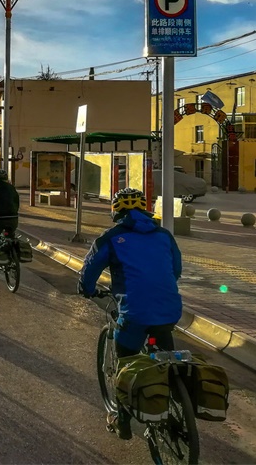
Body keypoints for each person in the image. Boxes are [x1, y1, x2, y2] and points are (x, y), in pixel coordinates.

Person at [78, 187, 183, 441]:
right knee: (165, 362)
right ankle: (175, 404)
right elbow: (176, 269)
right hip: (170, 310)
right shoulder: (164, 235)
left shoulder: (112, 237)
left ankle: (122, 422)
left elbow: (90, 270)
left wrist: (87, 290)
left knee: (126, 366)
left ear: (116, 210)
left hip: (134, 313)